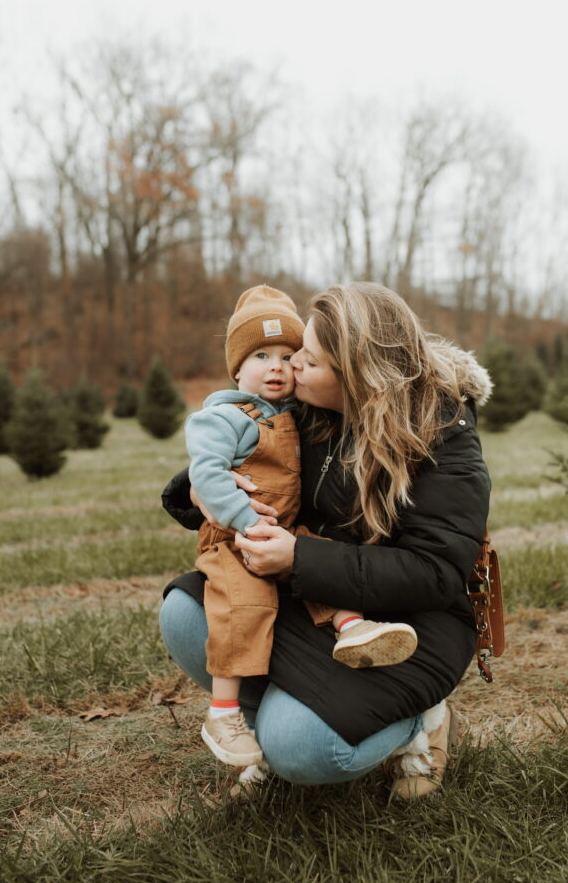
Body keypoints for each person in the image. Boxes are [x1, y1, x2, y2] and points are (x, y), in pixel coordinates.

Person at [160, 282, 492, 799]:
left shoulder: (443, 434)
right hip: (314, 596)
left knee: (306, 748)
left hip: (410, 618)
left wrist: (298, 557)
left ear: (357, 373)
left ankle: (421, 724)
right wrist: (203, 490)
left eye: (306, 360)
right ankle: (263, 735)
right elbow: (242, 455)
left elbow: (435, 573)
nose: (290, 369)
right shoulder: (305, 409)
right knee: (185, 612)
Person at [187, 285, 419, 770]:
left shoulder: (297, 411)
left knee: (321, 563)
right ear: (236, 368)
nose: (276, 366)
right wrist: (240, 518)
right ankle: (224, 714)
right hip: (235, 540)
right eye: (260, 355)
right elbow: (206, 473)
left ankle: (353, 628)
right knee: (242, 609)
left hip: (284, 530)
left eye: (288, 355)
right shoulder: (222, 416)